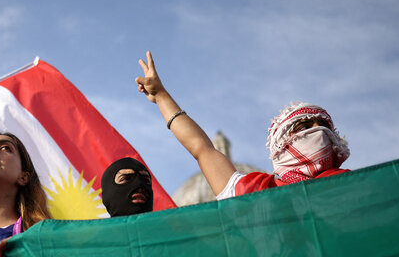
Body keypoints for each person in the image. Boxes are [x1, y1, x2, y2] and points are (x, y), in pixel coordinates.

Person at [134, 51, 350, 200]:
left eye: (323, 126)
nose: (317, 132)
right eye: (303, 127)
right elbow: (202, 149)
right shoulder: (258, 192)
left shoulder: (356, 185)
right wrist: (162, 96)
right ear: (283, 143)